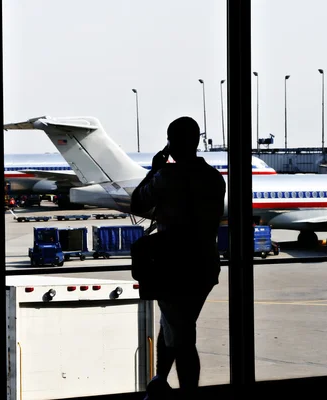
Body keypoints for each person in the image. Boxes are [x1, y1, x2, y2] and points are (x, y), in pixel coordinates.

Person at [131, 116, 226, 399]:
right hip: (204, 264)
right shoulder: (213, 177)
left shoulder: (165, 177)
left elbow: (138, 203)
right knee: (173, 325)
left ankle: (182, 391)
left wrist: (154, 170)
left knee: (181, 334)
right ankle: (160, 379)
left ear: (171, 143)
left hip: (172, 265)